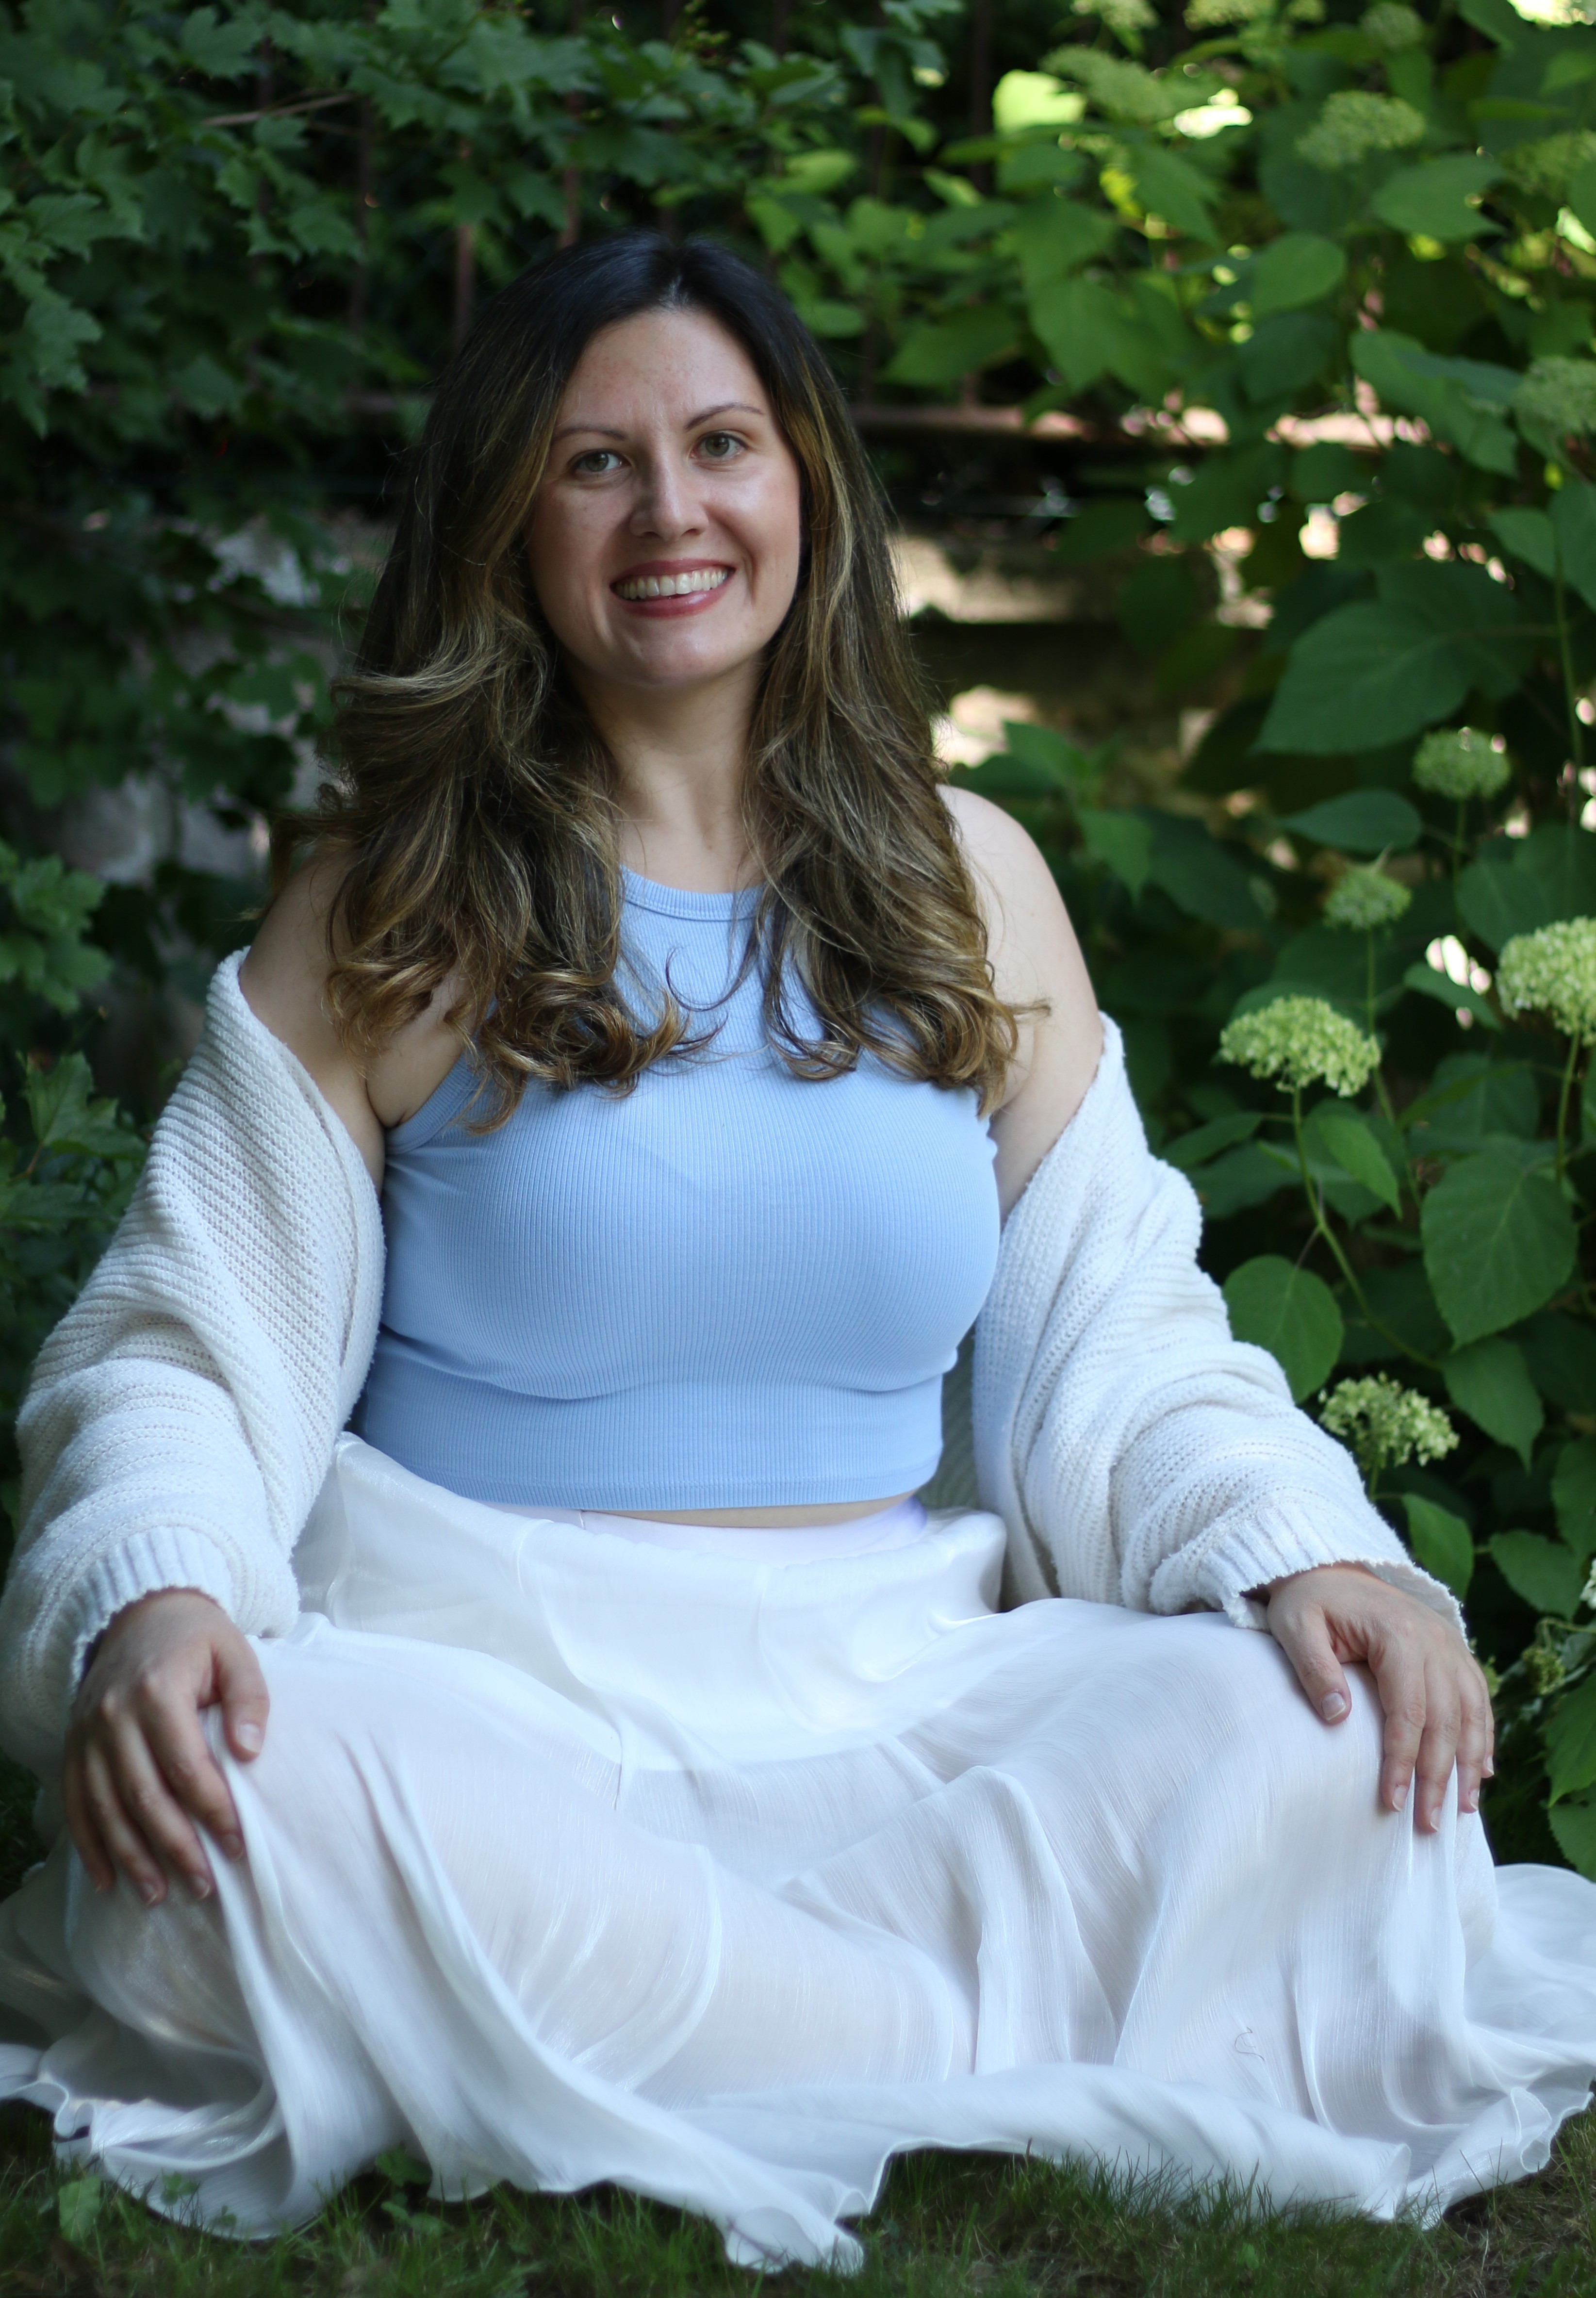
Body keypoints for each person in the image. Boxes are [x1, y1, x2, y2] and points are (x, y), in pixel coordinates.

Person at [0, 232, 1592, 2268]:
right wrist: (157, 1593)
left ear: (807, 486)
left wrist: (1304, 1547)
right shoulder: (389, 902)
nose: (668, 511)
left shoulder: (962, 880)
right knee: (248, 1784)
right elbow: (186, 1348)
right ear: (505, 521)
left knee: (1314, 1728)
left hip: (909, 1707)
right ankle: (972, 2046)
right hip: (495, 1714)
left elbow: (1119, 1330)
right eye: (593, 462)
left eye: (722, 445)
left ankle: (708, 2038)